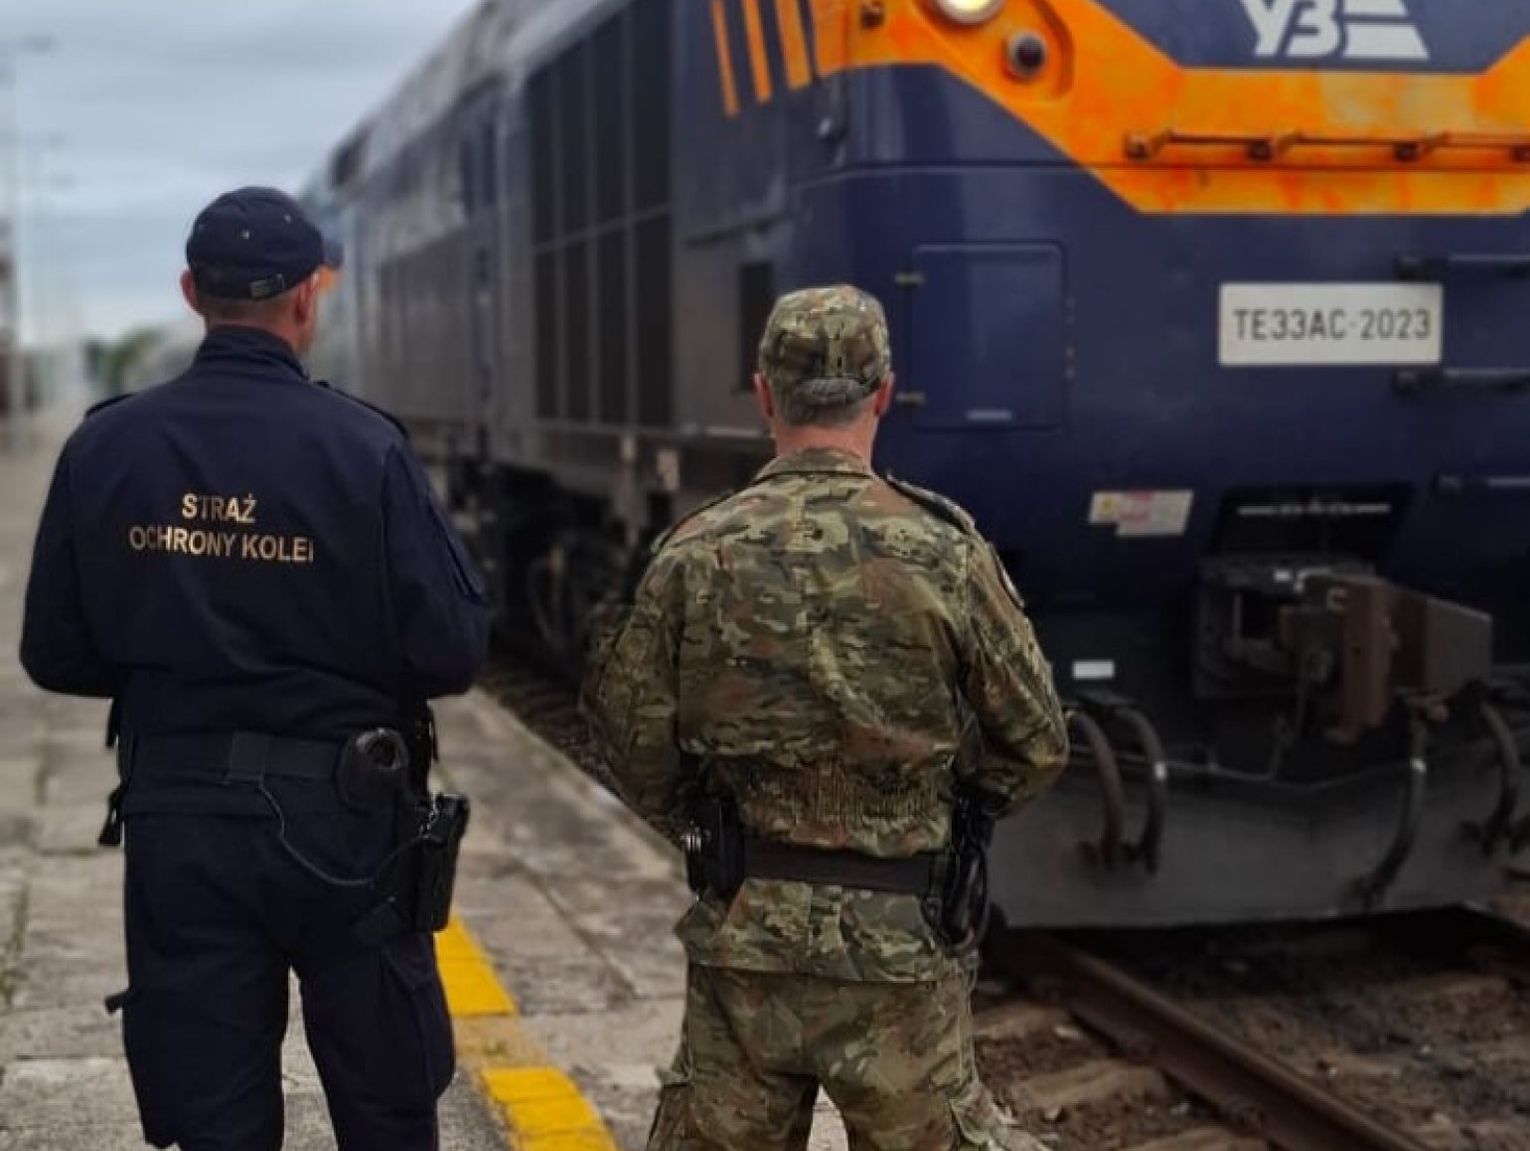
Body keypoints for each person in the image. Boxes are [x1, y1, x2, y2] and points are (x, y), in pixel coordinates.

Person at [20, 187, 490, 1151]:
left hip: (178, 820)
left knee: (213, 1118)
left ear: (193, 292)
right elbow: (452, 647)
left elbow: (54, 652)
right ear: (310, 297)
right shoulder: (367, 448)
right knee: (388, 1108)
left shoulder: (106, 444)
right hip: (349, 825)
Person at [581, 285, 1069, 1151]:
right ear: (884, 393)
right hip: (903, 949)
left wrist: (707, 819)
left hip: (747, 941)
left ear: (764, 394)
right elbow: (1035, 743)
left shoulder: (696, 551)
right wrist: (945, 807)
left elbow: (630, 743)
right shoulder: (946, 553)